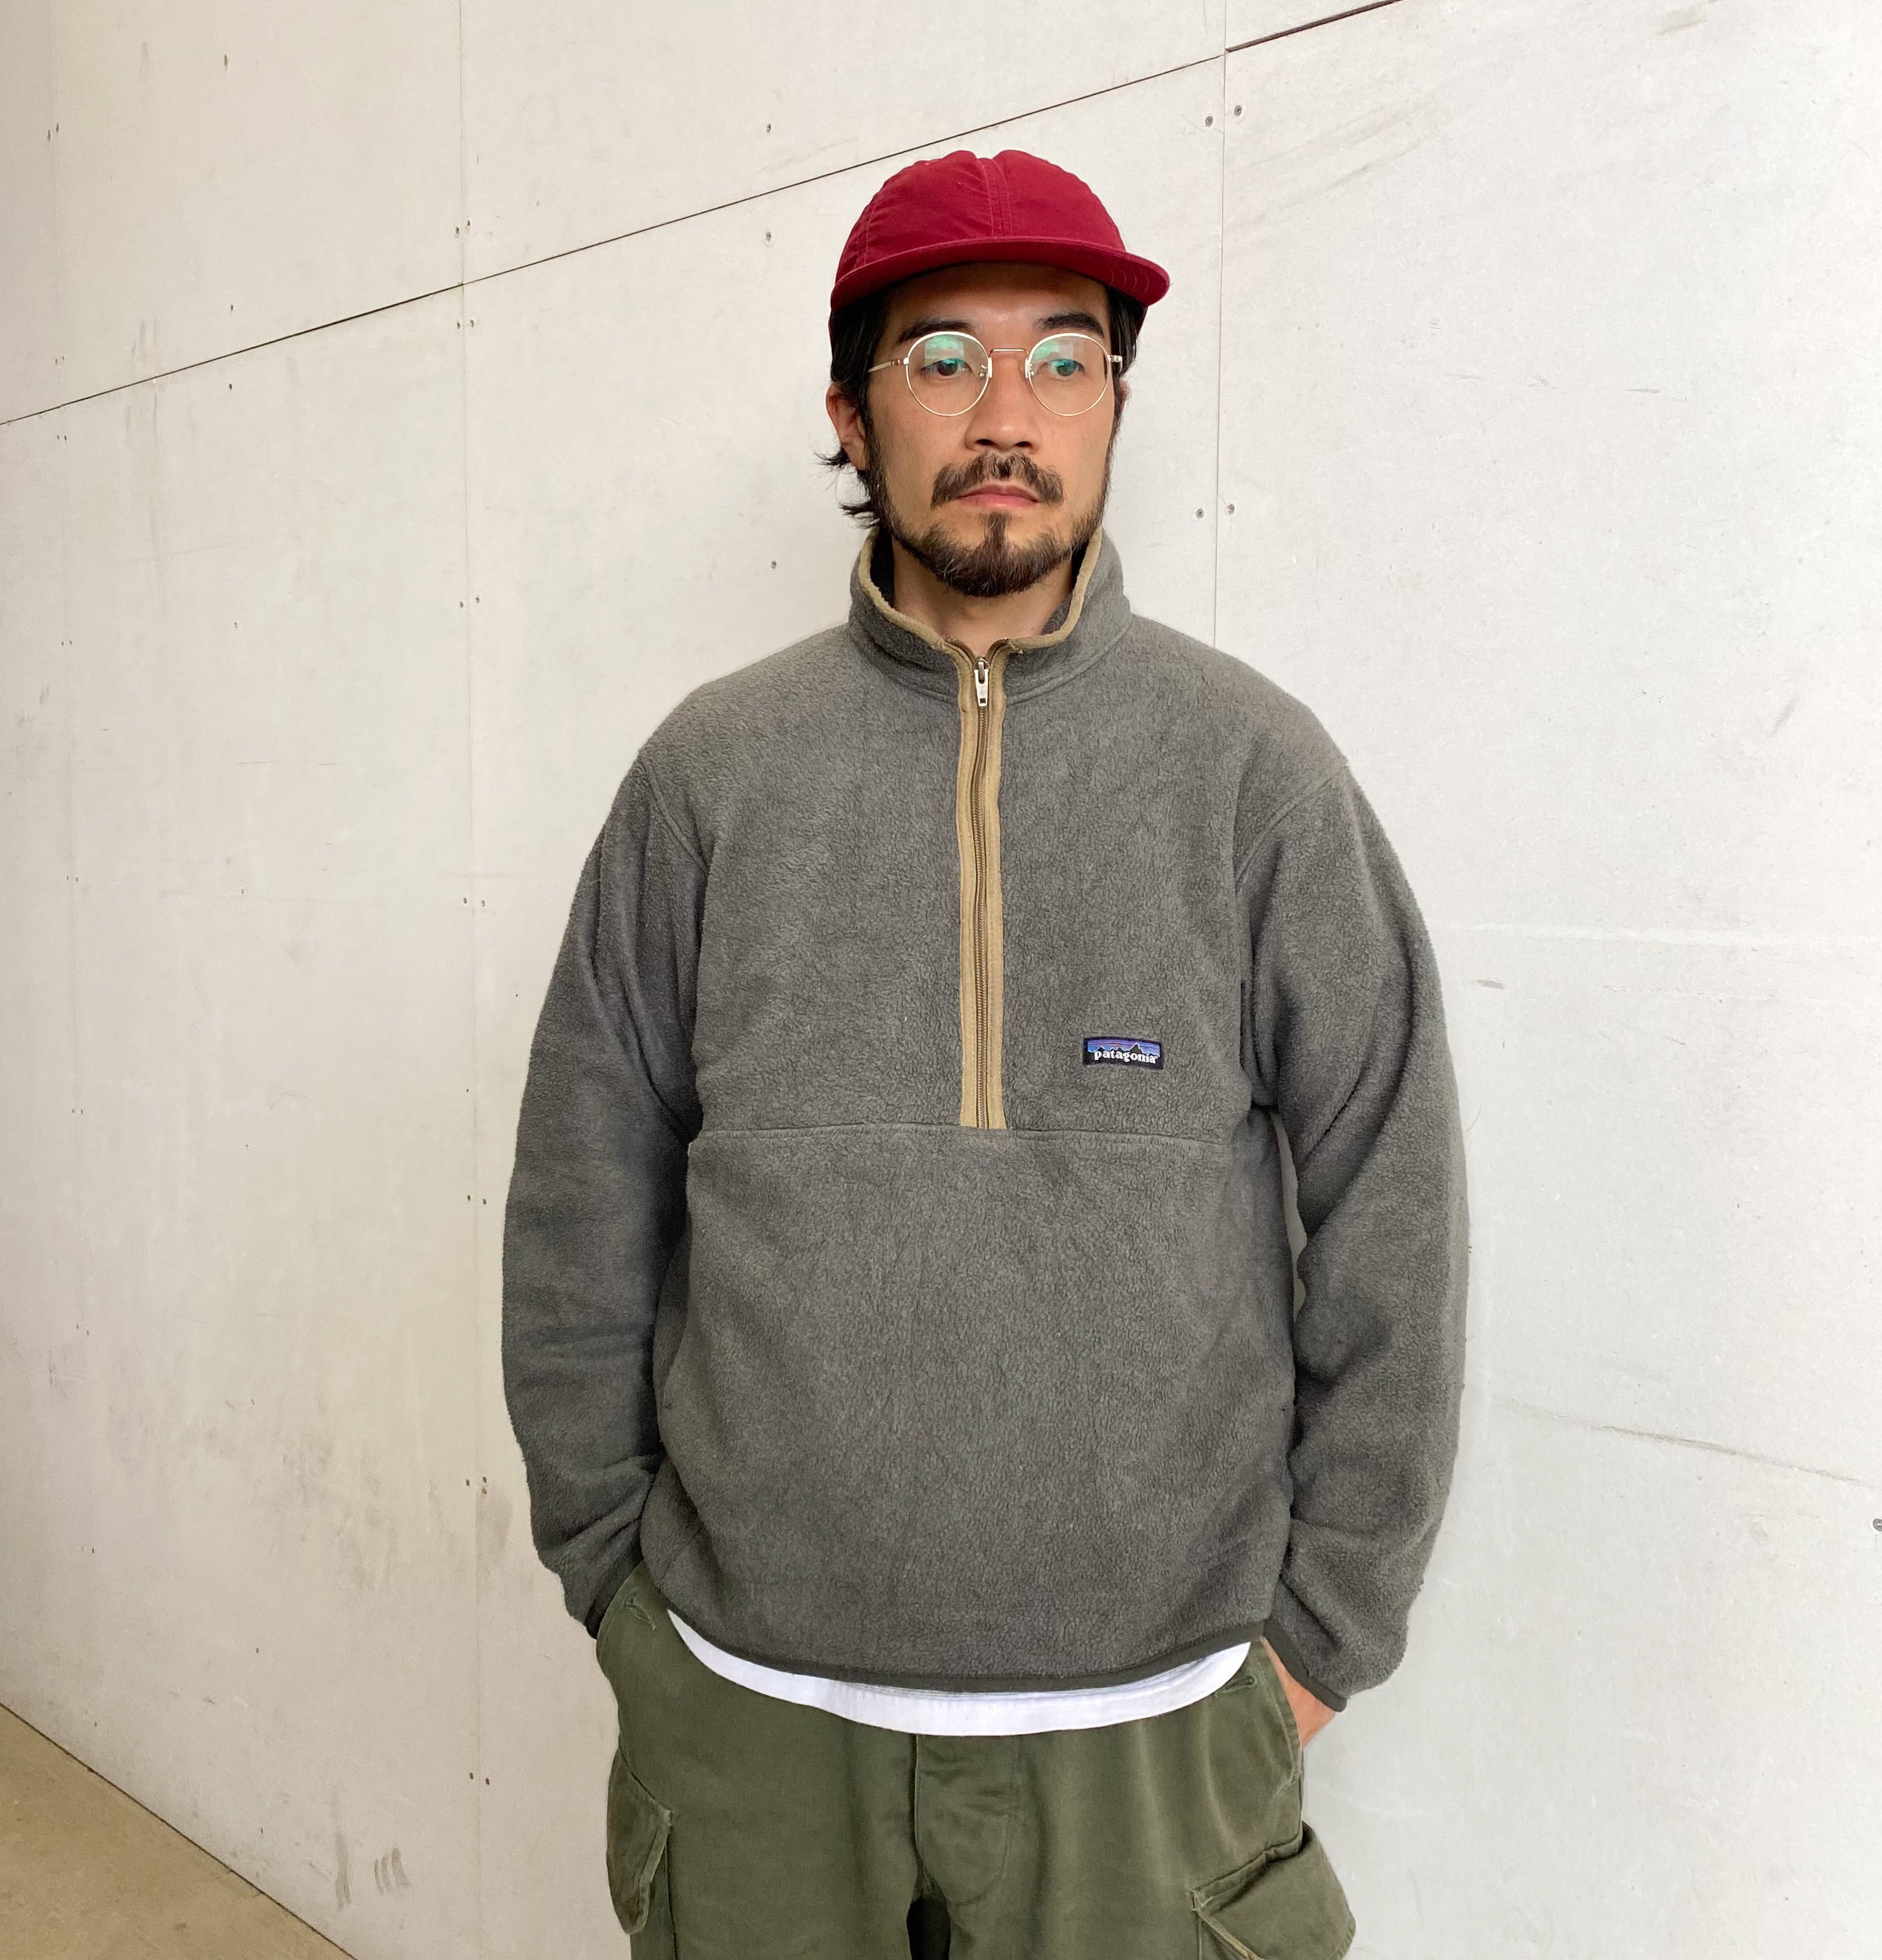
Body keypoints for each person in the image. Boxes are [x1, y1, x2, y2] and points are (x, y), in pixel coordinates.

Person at [501, 146, 1468, 1959]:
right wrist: (617, 1583)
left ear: (1115, 407)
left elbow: (1392, 1208)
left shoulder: (1255, 774)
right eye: (942, 357)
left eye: (1064, 358)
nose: (1006, 413)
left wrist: (1322, 1641)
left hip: (1158, 1724)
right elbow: (581, 1198)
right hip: (750, 1714)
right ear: (852, 417)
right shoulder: (710, 777)